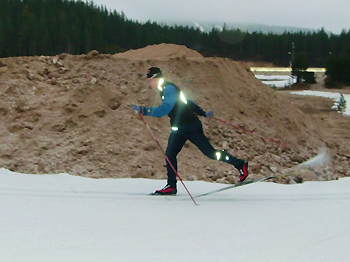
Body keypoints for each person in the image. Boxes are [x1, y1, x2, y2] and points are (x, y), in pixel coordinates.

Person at [132, 67, 248, 195]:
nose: (148, 83)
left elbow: (165, 109)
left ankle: (240, 164)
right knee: (170, 155)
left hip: (189, 126)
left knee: (210, 153)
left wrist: (145, 110)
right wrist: (202, 113)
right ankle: (171, 186)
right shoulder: (165, 88)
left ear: (156, 78)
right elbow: (187, 101)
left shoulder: (168, 89)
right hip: (180, 128)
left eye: (150, 80)